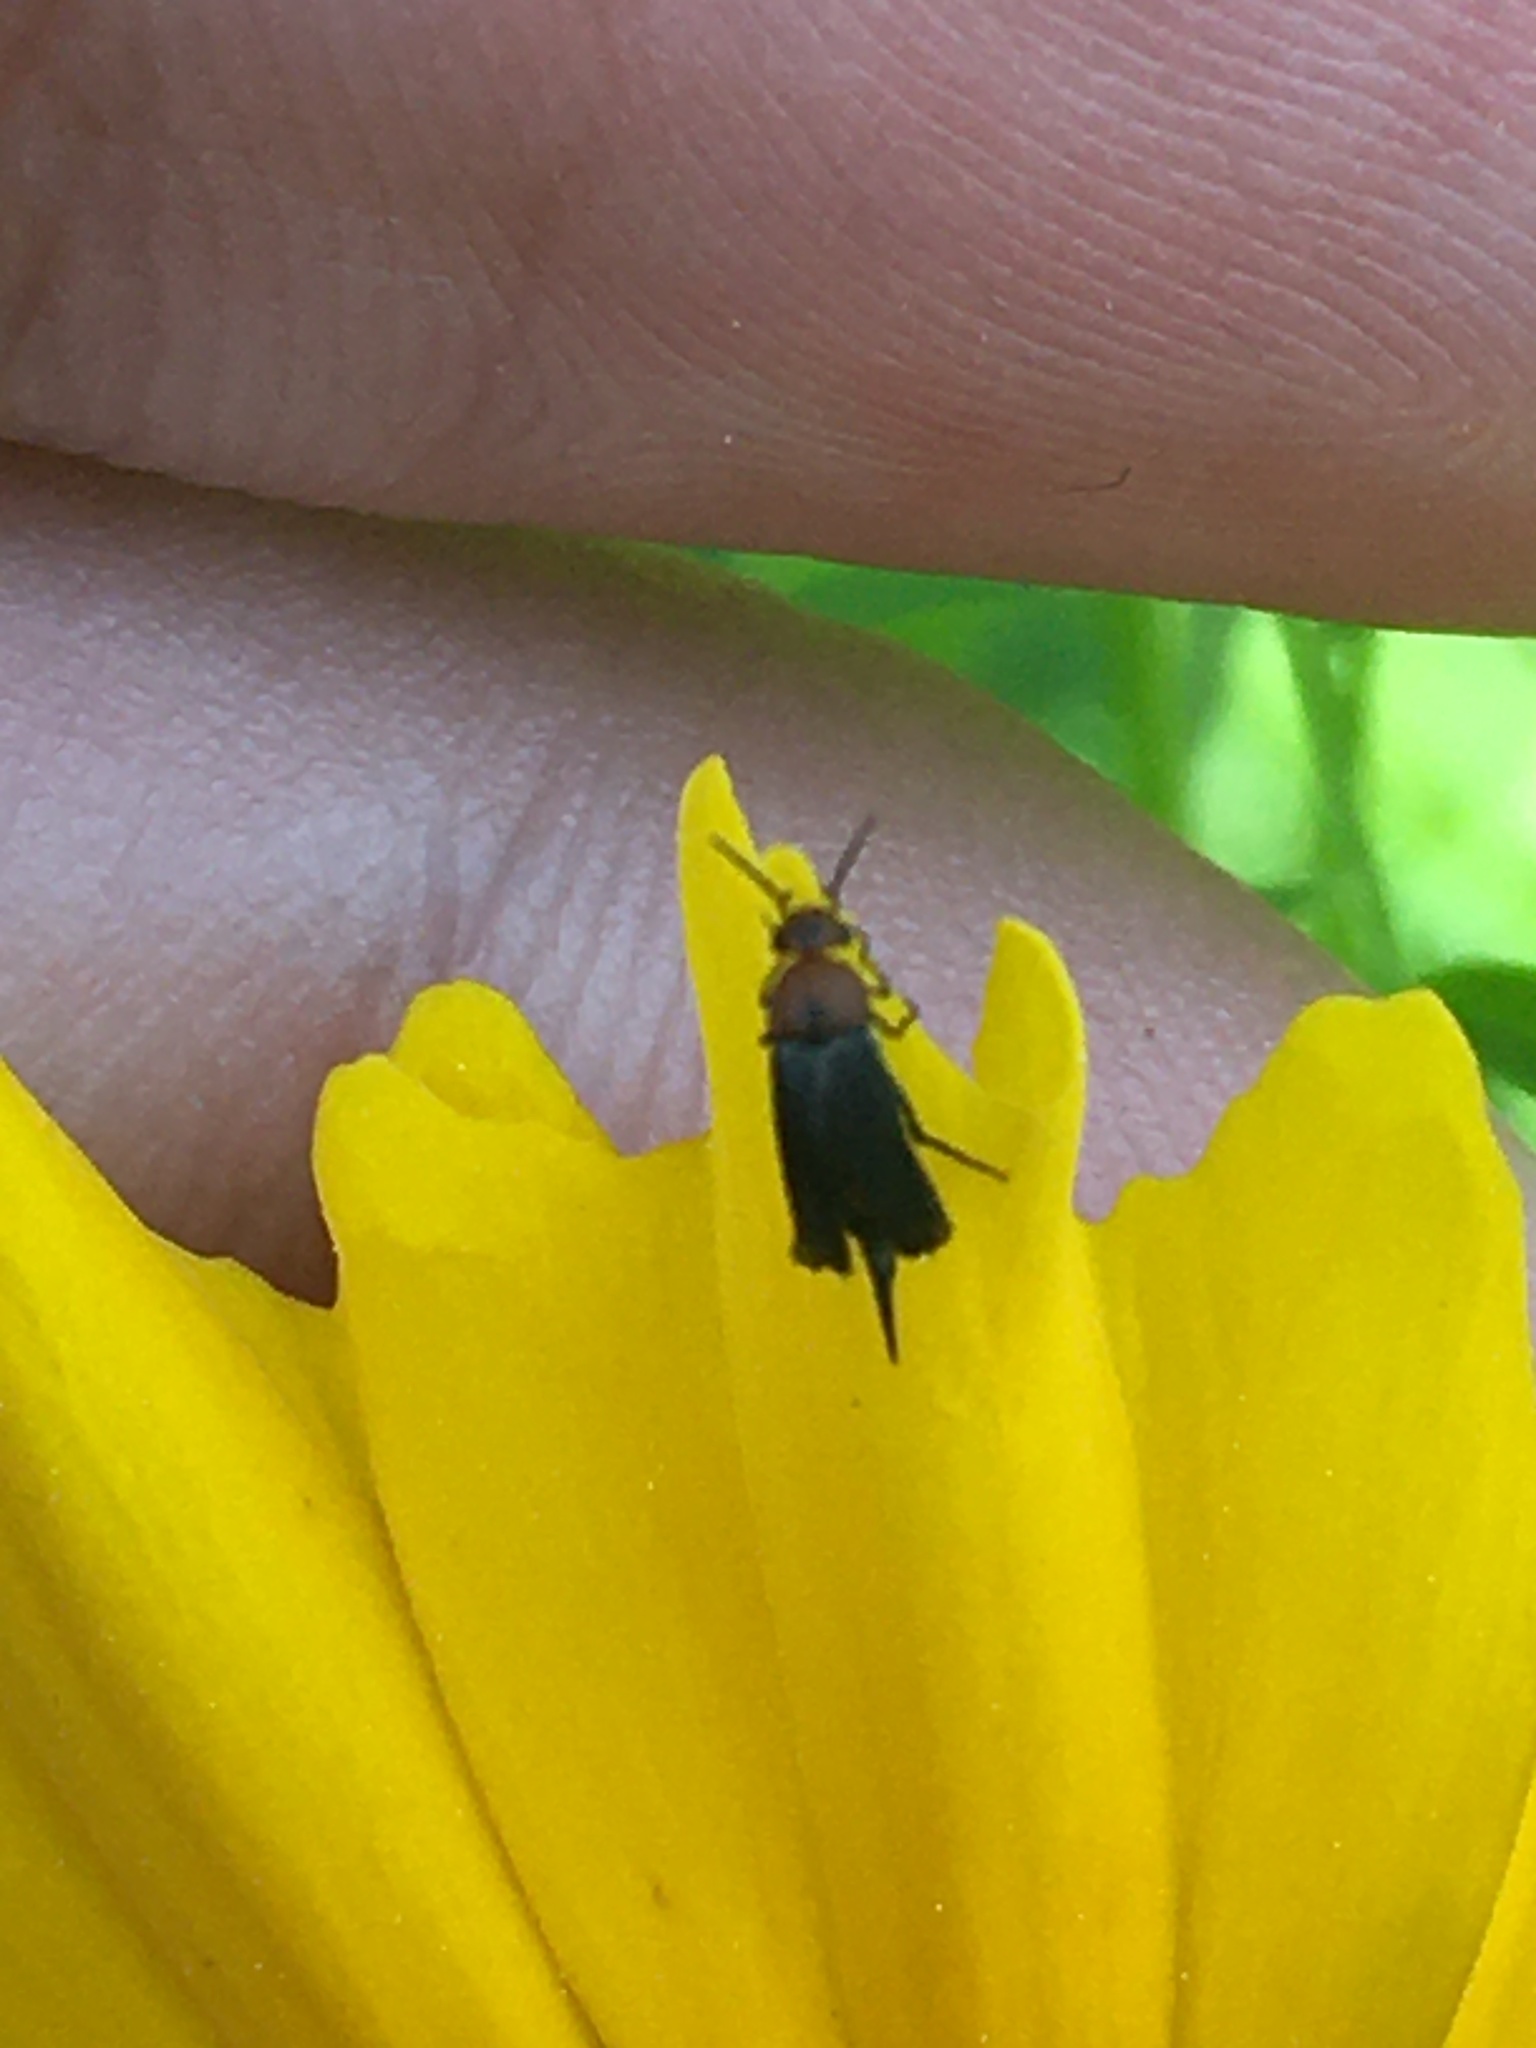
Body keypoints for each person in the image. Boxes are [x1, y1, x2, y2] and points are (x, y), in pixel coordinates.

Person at [1, 0, 1530, 1295]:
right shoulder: (826, 994)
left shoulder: (805, 999)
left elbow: (821, 1009)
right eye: (822, 939)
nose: (821, 946)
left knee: (855, 1153)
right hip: (832, 1084)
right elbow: (845, 1009)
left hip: (816, 1086)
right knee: (880, 1146)